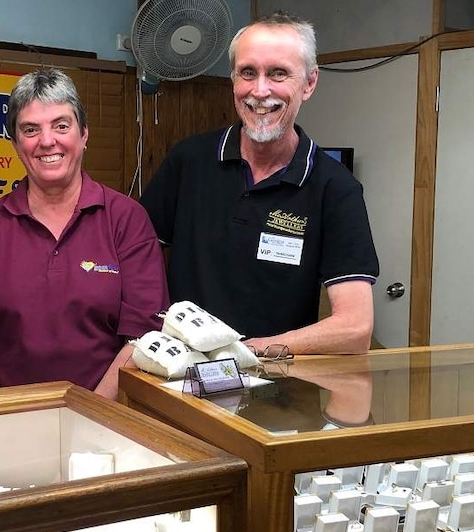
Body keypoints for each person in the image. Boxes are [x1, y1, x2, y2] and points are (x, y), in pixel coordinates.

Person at [140, 12, 379, 355]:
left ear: (309, 83)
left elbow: (355, 329)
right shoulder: (189, 160)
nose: (260, 90)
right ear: (233, 80)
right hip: (181, 381)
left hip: (278, 392)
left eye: (278, 73)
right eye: (248, 73)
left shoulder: (335, 188)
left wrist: (248, 354)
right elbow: (136, 262)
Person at [0, 68, 168, 399]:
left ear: (84, 134)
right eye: (30, 129)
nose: (47, 140)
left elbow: (143, 335)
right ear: (15, 142)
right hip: (8, 425)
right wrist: (11, 414)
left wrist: (90, 416)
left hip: (106, 424)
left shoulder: (126, 219)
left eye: (61, 125)